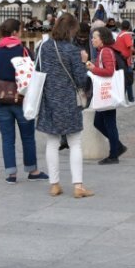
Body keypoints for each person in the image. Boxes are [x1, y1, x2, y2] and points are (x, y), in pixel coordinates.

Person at [35, 13, 93, 198]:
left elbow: (38, 71)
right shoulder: (72, 50)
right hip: (68, 100)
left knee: (52, 142)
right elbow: (81, 80)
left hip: (49, 99)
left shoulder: (43, 48)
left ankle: (54, 184)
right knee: (75, 142)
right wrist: (84, 63)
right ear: (71, 30)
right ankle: (78, 186)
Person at [0, 19, 46, 184]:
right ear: (14, 33)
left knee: (7, 138)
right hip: (22, 100)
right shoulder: (25, 51)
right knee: (27, 136)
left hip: (1, 101)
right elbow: (33, 74)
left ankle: (11, 174)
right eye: (20, 30)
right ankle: (33, 170)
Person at [87, 26, 128, 165]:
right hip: (106, 92)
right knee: (99, 122)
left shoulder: (105, 51)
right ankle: (117, 147)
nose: (92, 40)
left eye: (95, 37)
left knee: (109, 123)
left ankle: (114, 154)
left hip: (107, 92)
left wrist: (93, 69)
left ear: (102, 39)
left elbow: (109, 71)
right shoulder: (103, 51)